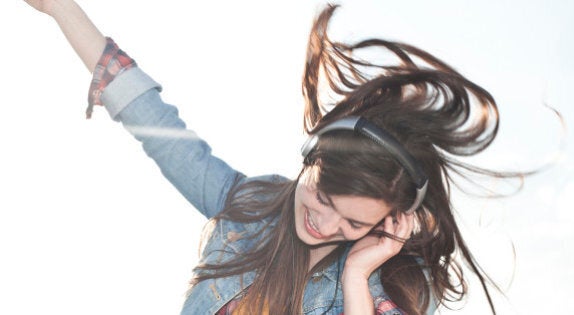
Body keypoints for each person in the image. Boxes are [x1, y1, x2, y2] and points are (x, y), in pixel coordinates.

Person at [25, 0, 517, 314]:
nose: (325, 223)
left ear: (389, 221)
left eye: (352, 222)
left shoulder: (400, 284)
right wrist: (59, 7)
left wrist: (354, 277)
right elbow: (152, 122)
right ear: (311, 156)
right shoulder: (245, 205)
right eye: (323, 196)